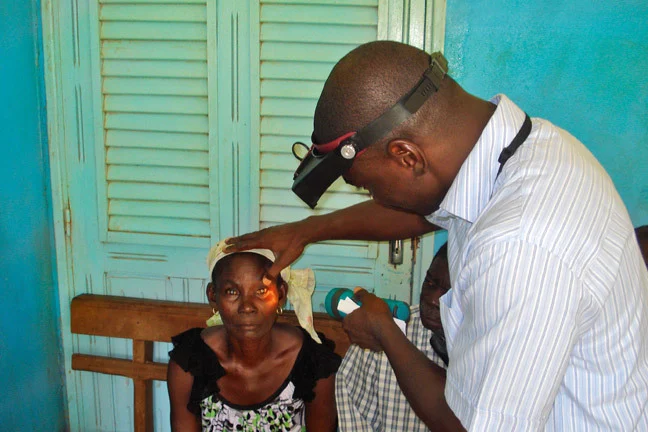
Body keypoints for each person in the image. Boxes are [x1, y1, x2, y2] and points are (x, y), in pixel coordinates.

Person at [227, 40, 648, 430]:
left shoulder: (521, 248)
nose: (376, 197)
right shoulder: (529, 150)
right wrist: (307, 231)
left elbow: (468, 427)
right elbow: (426, 211)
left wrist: (386, 334)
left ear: (406, 156)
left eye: (368, 186)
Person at [167, 241, 341, 431]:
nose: (247, 307)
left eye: (261, 291)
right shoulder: (190, 365)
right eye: (232, 291)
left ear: (281, 294)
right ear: (213, 296)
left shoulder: (312, 363)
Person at [336, 243, 450, 431]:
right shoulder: (378, 333)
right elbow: (353, 419)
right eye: (430, 283)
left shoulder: (494, 354)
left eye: (448, 293)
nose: (432, 300)